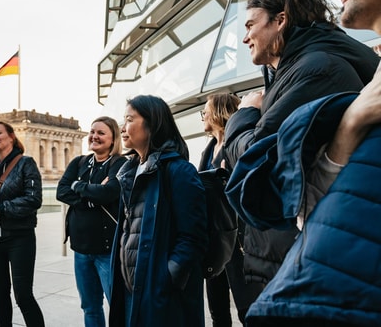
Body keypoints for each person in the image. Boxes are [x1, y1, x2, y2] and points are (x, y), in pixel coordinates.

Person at [228, 0, 381, 326]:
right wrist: (348, 128)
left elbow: (263, 172)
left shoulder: (317, 67)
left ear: (281, 21)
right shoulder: (308, 66)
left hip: (308, 275)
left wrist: (242, 119)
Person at [109, 95, 208, 327]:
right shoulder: (129, 171)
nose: (123, 128)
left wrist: (166, 278)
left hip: (159, 293)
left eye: (130, 119)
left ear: (152, 123)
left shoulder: (179, 171)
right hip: (131, 289)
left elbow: (193, 237)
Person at [56, 116, 126, 327]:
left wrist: (79, 186)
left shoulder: (120, 164)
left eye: (101, 133)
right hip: (81, 250)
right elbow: (61, 191)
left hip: (107, 251)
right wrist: (90, 197)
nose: (94, 136)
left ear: (113, 139)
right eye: (92, 131)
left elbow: (110, 192)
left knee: (118, 305)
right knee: (90, 307)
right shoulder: (79, 163)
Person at [199, 94, 262, 327]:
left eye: (205, 110)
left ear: (219, 112)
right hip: (215, 241)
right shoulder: (209, 149)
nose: (203, 116)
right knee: (217, 311)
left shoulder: (237, 144)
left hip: (240, 241)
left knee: (248, 310)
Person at [0, 121, 45, 327]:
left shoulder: (26, 164)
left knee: (23, 295)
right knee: (0, 292)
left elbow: (33, 200)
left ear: (11, 137)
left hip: (20, 237)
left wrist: (0, 208)